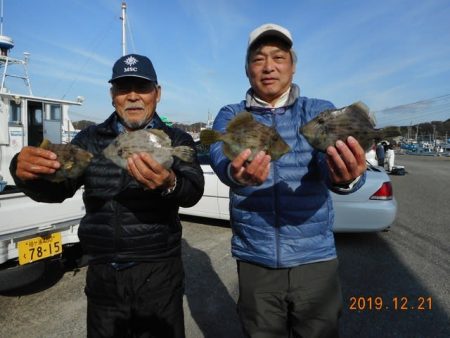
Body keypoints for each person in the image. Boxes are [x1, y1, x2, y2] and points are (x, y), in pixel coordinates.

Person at [10, 54, 204, 338]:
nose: (133, 96)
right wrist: (24, 172)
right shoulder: (89, 138)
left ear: (157, 94)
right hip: (103, 276)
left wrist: (170, 183)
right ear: (113, 95)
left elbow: (193, 190)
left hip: (160, 272)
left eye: (143, 87)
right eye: (124, 88)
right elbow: (58, 190)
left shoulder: (175, 139)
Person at [209, 23, 367, 338]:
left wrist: (346, 177)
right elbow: (219, 153)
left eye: (279, 57)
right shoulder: (231, 113)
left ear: (293, 67)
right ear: (246, 70)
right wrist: (234, 173)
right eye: (258, 59)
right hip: (256, 259)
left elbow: (329, 162)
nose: (269, 66)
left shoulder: (318, 110)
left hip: (315, 259)